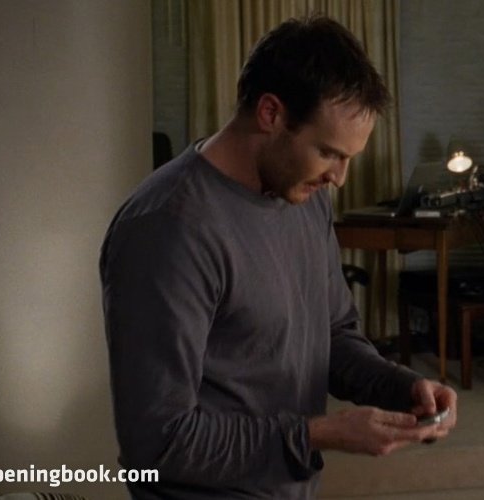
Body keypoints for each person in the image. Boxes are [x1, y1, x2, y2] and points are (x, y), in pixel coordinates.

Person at [100, 16, 457, 499]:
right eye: (329, 153)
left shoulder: (304, 196)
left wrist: (405, 388)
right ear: (270, 113)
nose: (339, 178)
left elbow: (334, 336)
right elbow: (157, 444)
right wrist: (318, 434)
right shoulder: (168, 229)